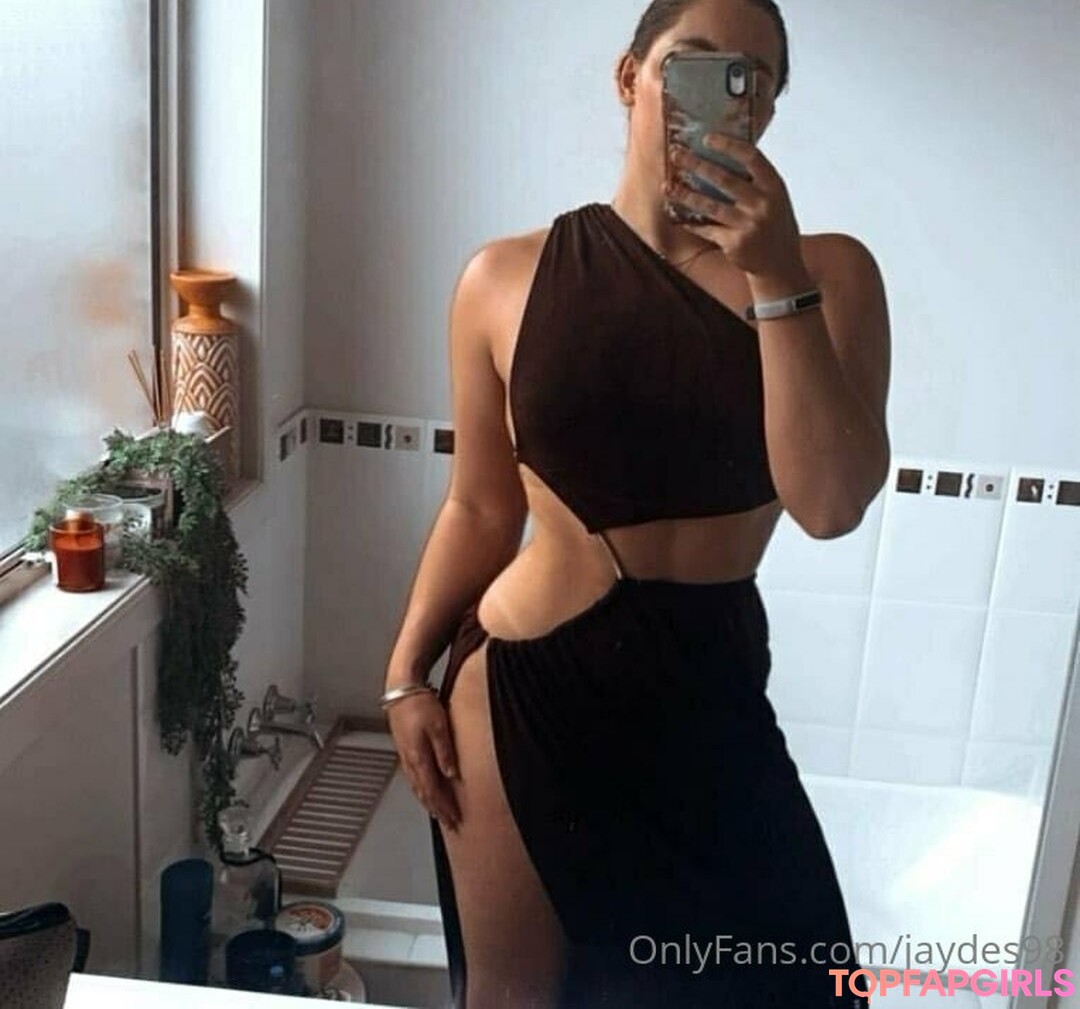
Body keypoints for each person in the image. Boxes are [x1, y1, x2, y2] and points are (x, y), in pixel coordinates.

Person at [382, 0, 891, 1005]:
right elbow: (480, 508)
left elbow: (830, 503)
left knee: (791, 986)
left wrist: (774, 272)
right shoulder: (501, 278)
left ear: (768, 111)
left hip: (708, 691)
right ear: (630, 77)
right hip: (522, 688)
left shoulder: (831, 273)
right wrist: (405, 675)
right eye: (692, 64)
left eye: (752, 79)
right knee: (519, 995)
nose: (724, 94)